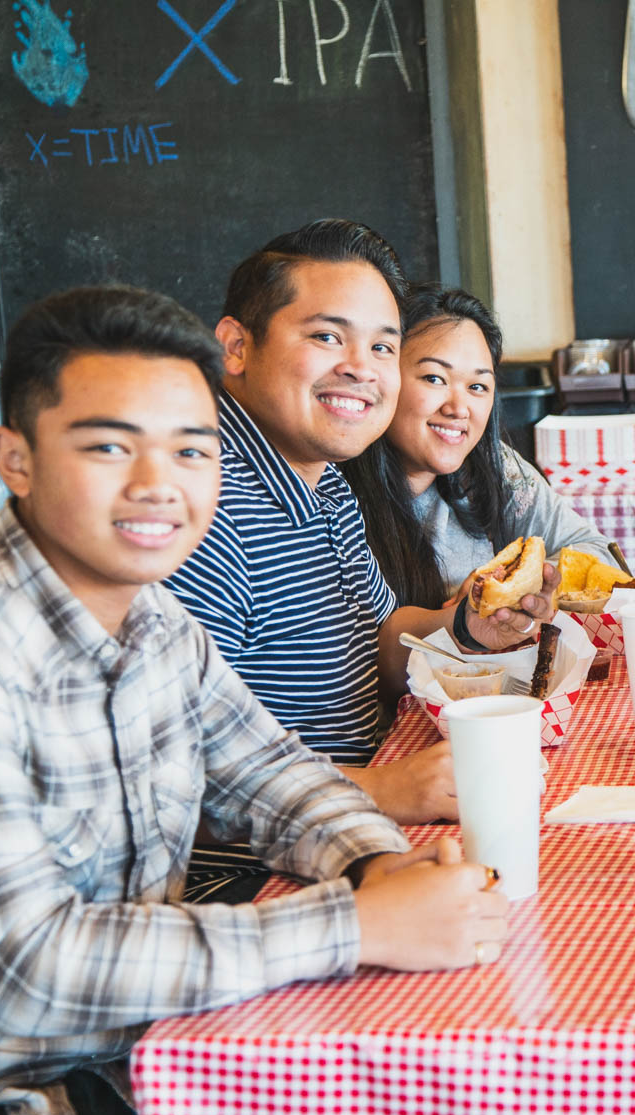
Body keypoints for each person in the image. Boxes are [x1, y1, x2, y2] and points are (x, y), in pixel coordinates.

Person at [0, 284, 507, 1115]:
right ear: (15, 458)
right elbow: (21, 971)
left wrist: (375, 865)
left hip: (148, 1061)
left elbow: (271, 774)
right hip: (10, 1106)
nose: (158, 487)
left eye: (191, 451)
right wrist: (354, 924)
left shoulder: (156, 622)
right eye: (109, 446)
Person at [164, 221, 559, 827]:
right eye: (327, 336)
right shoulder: (199, 505)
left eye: (382, 347)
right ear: (236, 347)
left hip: (343, 818)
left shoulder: (324, 482)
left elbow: (377, 635)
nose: (362, 369)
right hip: (243, 874)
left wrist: (469, 626)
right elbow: (172, 760)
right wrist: (381, 790)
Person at [342, 284, 611, 607]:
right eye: (434, 378)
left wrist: (518, 581)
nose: (459, 408)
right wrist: (454, 622)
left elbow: (595, 550)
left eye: (478, 386)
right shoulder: (331, 489)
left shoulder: (492, 464)